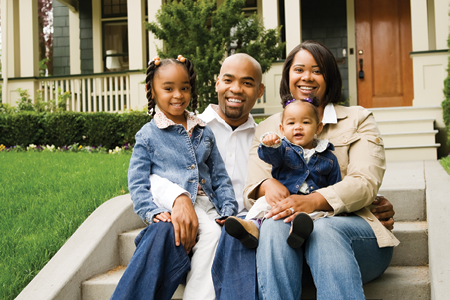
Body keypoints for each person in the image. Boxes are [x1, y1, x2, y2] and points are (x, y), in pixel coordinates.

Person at [111, 52, 396, 300]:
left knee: (247, 237)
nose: (236, 89)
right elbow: (146, 172)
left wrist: (355, 200)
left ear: (260, 91)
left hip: (245, 227)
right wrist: (178, 198)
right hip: (199, 220)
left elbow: (360, 180)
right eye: (298, 70)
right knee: (167, 232)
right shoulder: (193, 127)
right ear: (217, 83)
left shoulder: (267, 130)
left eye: (247, 83)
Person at [243, 40, 400, 299]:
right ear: (288, 76)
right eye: (299, 69)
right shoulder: (270, 127)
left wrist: (313, 201)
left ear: (329, 77)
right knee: (271, 224)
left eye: (317, 70)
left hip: (352, 237)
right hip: (286, 251)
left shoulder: (358, 119)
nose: (307, 77)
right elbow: (256, 180)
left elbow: (365, 182)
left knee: (324, 230)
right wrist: (265, 184)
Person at [111, 55, 238, 300]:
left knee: (220, 234)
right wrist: (149, 211)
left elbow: (220, 176)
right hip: (178, 204)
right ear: (152, 91)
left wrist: (228, 209)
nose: (178, 95)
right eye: (168, 88)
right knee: (211, 234)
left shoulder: (203, 130)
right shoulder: (148, 135)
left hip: (208, 203)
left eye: (184, 88)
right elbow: (138, 182)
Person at [224, 96, 341, 249]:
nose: (298, 127)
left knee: (317, 217)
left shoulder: (329, 157)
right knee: (262, 203)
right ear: (282, 129)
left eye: (305, 122)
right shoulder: (283, 150)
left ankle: (297, 231)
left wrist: (335, 206)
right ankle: (250, 226)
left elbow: (335, 186)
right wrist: (269, 144)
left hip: (310, 205)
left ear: (319, 127)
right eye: (291, 123)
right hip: (282, 200)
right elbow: (270, 156)